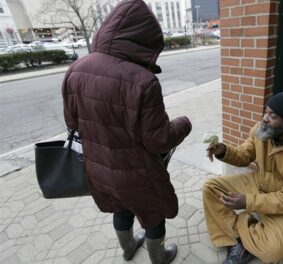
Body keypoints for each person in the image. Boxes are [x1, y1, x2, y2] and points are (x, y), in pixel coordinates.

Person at [62, 0, 192, 263]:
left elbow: (72, 124)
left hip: (97, 167)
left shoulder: (75, 70)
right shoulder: (143, 81)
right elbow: (158, 140)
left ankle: (128, 248)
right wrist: (185, 123)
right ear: (144, 39)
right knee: (152, 214)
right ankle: (159, 258)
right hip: (137, 173)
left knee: (120, 208)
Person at [203, 89, 283, 264]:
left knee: (274, 252)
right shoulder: (263, 130)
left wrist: (247, 202)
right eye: (266, 112)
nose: (264, 118)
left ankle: (242, 232)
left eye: (272, 116)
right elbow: (244, 155)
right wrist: (224, 151)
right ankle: (242, 239)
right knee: (211, 188)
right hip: (259, 182)